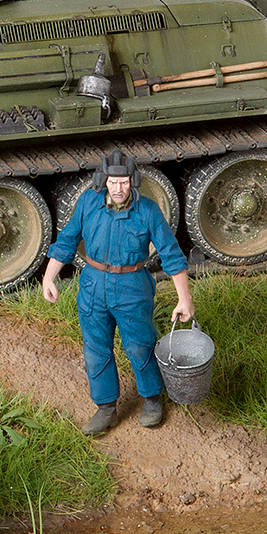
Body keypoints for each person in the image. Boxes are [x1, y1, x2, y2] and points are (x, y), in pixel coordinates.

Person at [40, 150, 195, 435]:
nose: (118, 188)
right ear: (104, 181)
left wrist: (184, 298)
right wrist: (49, 277)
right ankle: (105, 407)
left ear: (133, 181)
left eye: (124, 182)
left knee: (140, 344)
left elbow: (171, 254)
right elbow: (67, 240)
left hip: (132, 285)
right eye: (113, 182)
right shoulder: (88, 202)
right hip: (93, 284)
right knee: (95, 348)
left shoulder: (148, 210)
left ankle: (152, 397)